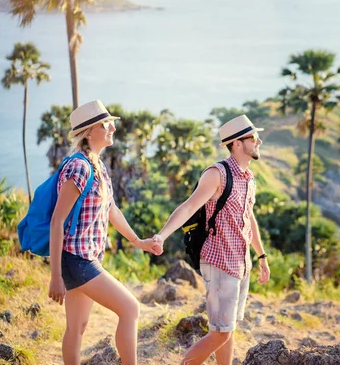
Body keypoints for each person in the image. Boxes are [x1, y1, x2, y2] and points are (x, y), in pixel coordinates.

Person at [48, 100, 162, 365]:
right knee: (130, 308)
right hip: (77, 260)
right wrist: (55, 276)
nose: (112, 127)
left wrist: (138, 242)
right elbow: (57, 221)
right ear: (89, 132)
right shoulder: (79, 167)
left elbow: (112, 211)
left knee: (78, 327)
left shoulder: (97, 165)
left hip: (86, 257)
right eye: (105, 123)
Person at [154, 114, 271, 365]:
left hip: (241, 264)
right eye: (254, 137)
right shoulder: (217, 174)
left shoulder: (248, 178)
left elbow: (248, 218)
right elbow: (188, 207)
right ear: (237, 143)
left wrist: (261, 256)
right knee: (220, 332)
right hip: (219, 263)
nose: (259, 141)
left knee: (227, 331)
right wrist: (162, 235)